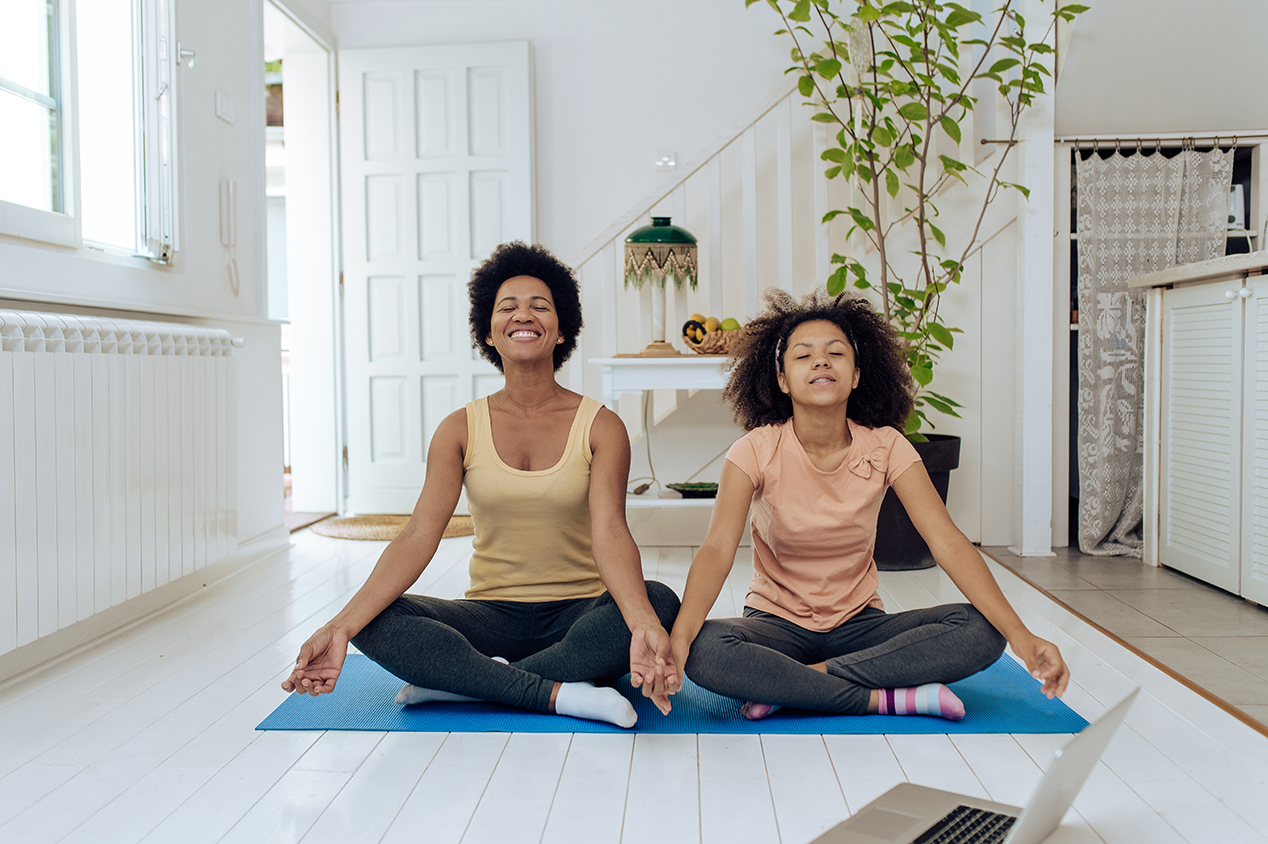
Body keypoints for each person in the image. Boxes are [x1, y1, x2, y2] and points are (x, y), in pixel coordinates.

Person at [282, 241, 680, 728]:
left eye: (540, 306)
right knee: (374, 619)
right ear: (488, 333)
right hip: (490, 617)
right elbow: (419, 534)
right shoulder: (459, 429)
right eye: (507, 307)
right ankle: (562, 694)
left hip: (578, 615)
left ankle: (469, 685)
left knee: (657, 601)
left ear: (561, 330)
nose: (523, 315)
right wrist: (339, 627)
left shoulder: (601, 426)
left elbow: (611, 533)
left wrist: (639, 619)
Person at [666, 289, 1068, 720]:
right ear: (782, 380)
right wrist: (680, 641)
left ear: (856, 374)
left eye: (835, 353)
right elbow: (717, 548)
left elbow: (946, 541)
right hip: (774, 625)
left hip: (860, 626)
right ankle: (885, 699)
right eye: (803, 356)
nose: (821, 361)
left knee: (983, 630)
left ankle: (795, 683)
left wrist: (1022, 636)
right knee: (706, 649)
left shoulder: (887, 445)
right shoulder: (754, 450)